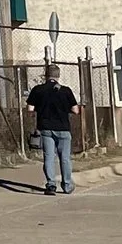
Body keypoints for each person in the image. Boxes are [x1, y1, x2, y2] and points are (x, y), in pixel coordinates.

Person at [27, 64, 78, 195]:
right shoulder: (66, 91)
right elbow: (75, 110)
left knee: (49, 157)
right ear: (58, 76)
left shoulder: (38, 90)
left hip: (45, 128)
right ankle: (67, 185)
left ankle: (51, 185)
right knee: (65, 158)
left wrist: (40, 109)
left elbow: (30, 109)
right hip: (63, 128)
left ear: (46, 75)